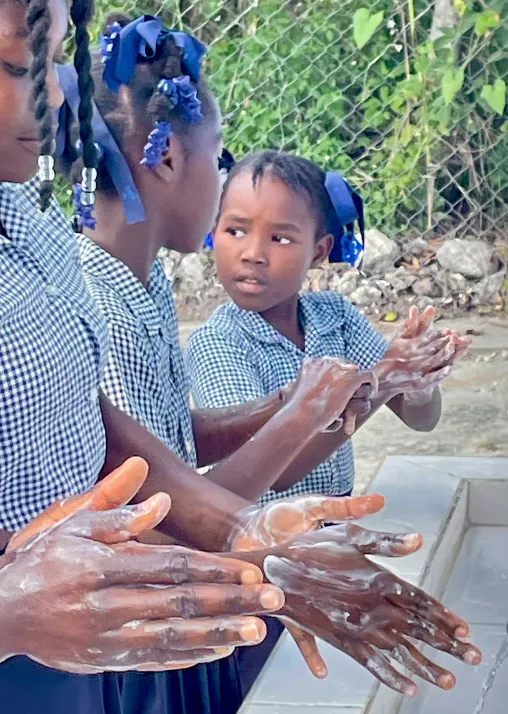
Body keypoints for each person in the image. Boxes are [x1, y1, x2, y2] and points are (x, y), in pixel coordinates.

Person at [0, 0, 480, 710]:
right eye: (19, 62)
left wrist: (245, 532)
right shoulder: (136, 300)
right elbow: (144, 505)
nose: (54, 93)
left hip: (87, 635)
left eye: (50, 58)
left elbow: (80, 420)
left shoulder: (28, 222)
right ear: (166, 155)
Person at [186, 150, 471, 504]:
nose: (253, 253)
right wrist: (387, 376)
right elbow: (277, 472)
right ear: (213, 233)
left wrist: (419, 377)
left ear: (319, 251)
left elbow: (421, 420)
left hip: (333, 518)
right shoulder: (217, 343)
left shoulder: (334, 317)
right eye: (236, 230)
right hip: (258, 536)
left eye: (281, 239)